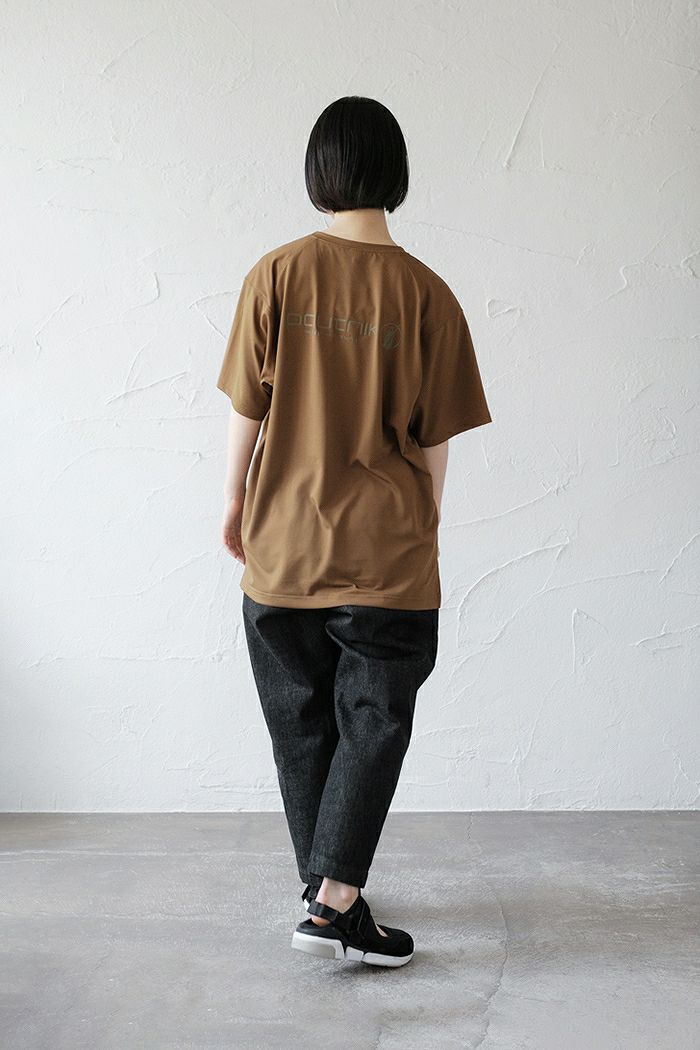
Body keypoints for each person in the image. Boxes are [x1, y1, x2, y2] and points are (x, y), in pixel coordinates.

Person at [217, 96, 492, 967]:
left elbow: (249, 408)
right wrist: (426, 523)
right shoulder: (428, 294)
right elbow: (435, 440)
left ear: (319, 173)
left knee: (302, 725)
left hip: (283, 545)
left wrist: (234, 501)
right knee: (373, 722)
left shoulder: (275, 274)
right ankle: (335, 900)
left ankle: (329, 896)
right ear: (395, 174)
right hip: (385, 554)